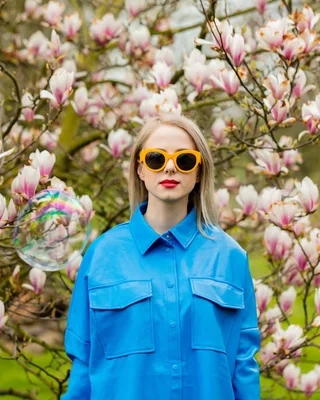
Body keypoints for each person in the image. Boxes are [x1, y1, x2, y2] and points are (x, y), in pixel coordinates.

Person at [61, 112, 261, 400]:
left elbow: (244, 368)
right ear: (140, 169)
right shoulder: (102, 255)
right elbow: (82, 365)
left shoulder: (230, 258)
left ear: (199, 171)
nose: (170, 168)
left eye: (184, 160)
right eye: (156, 159)